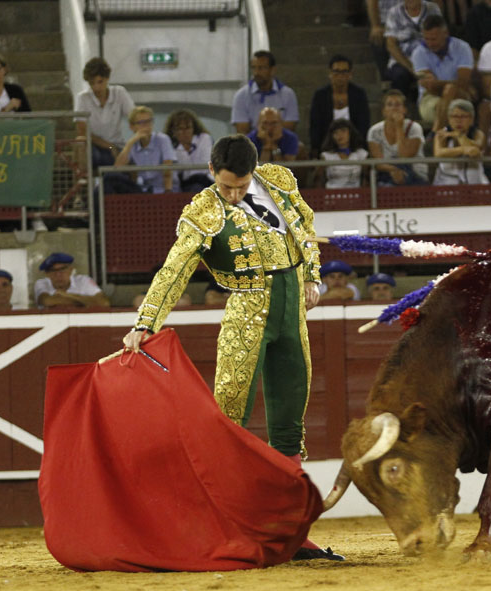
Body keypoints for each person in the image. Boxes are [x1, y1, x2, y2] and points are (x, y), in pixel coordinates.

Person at [121, 134, 340, 562]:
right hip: (246, 312)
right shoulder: (203, 210)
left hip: (293, 309)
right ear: (210, 173)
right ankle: (223, 526)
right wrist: (146, 322)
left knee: (289, 424)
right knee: (229, 417)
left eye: (241, 186)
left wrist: (314, 276)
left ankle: (291, 534)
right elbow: (176, 268)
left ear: (254, 171)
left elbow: (305, 225)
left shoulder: (278, 180)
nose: (235, 194)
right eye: (227, 188)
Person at [411, 14, 474, 131]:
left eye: (433, 39)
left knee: (451, 91)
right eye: (427, 39)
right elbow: (431, 88)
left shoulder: (462, 48)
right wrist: (449, 86)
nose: (430, 43)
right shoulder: (418, 53)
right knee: (449, 95)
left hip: (460, 95)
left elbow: (464, 83)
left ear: (445, 33)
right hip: (430, 98)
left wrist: (443, 85)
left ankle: (435, 135)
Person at [74, 57, 135, 168]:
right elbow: (82, 132)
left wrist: (132, 144)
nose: (96, 87)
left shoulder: (119, 92)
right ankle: (83, 181)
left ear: (107, 79)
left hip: (117, 146)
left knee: (133, 156)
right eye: (92, 83)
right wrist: (110, 146)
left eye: (100, 82)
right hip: (95, 148)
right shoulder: (82, 98)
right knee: (80, 141)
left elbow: (135, 118)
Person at [308, 54, 371, 159]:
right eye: (336, 71)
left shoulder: (359, 94)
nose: (340, 76)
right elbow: (315, 125)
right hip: (327, 146)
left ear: (350, 74)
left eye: (344, 72)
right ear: (330, 73)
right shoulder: (320, 95)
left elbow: (363, 124)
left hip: (354, 146)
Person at [367, 89, 428, 186]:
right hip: (387, 171)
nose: (394, 108)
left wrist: (399, 127)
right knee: (385, 184)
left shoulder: (414, 128)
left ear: (404, 109)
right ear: (384, 111)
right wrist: (394, 170)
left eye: (398, 104)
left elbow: (404, 156)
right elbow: (378, 163)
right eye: (390, 105)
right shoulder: (374, 131)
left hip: (414, 173)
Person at [231, 50, 299, 135]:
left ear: (272, 70)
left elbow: (290, 127)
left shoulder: (288, 94)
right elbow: (242, 130)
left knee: (299, 147)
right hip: (253, 144)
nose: (256, 73)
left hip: (281, 142)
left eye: (261, 68)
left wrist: (270, 140)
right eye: (253, 68)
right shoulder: (241, 96)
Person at [384, 0, 442, 99]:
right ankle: (400, 108)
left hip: (429, 58)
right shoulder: (394, 12)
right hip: (403, 61)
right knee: (399, 75)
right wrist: (411, 67)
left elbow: (441, 36)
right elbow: (391, 45)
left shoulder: (432, 9)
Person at [114, 105, 176, 194]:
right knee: (110, 178)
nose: (146, 126)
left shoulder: (162, 139)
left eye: (148, 121)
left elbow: (168, 170)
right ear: (132, 127)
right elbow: (117, 167)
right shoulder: (132, 143)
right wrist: (131, 142)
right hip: (142, 189)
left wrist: (168, 191)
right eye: (141, 122)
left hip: (162, 189)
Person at [432, 98, 488, 185]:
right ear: (449, 119)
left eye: (463, 116)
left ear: (471, 119)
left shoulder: (478, 134)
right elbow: (438, 153)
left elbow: (475, 151)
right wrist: (463, 150)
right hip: (446, 184)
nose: (458, 120)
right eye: (454, 116)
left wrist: (459, 136)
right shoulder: (442, 134)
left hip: (475, 184)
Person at [35, 252, 110, 309]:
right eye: (53, 270)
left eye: (62, 269)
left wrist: (66, 295)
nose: (58, 274)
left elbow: (104, 303)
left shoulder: (83, 281)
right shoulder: (42, 283)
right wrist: (86, 302)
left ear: (70, 270)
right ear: (47, 274)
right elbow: (47, 301)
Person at [164, 109, 213, 192]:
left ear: (194, 128)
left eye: (188, 128)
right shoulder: (171, 147)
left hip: (206, 180)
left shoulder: (204, 139)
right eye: (180, 129)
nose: (185, 132)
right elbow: (176, 173)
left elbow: (205, 165)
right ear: (173, 131)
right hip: (187, 184)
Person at [318, 118, 368, 188]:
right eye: (336, 132)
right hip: (332, 195)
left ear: (350, 133)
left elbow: (366, 179)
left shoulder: (361, 154)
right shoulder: (326, 156)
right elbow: (319, 181)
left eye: (343, 131)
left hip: (355, 195)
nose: (339, 135)